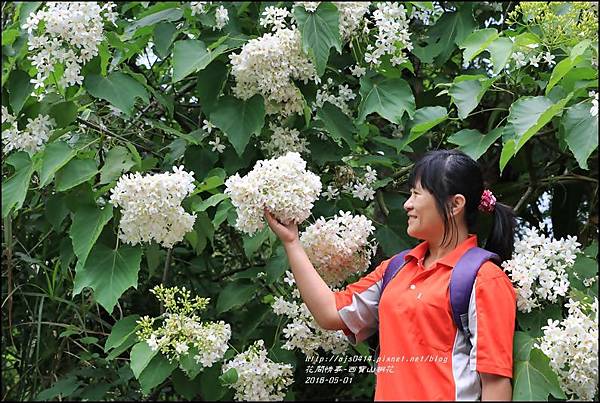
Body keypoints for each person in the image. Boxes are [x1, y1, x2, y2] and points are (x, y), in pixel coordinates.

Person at [264, 149, 517, 401]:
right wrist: (292, 243)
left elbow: (495, 383)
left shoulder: (485, 280)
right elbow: (330, 312)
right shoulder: (397, 268)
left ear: (455, 205)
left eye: (417, 194)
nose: (407, 204)